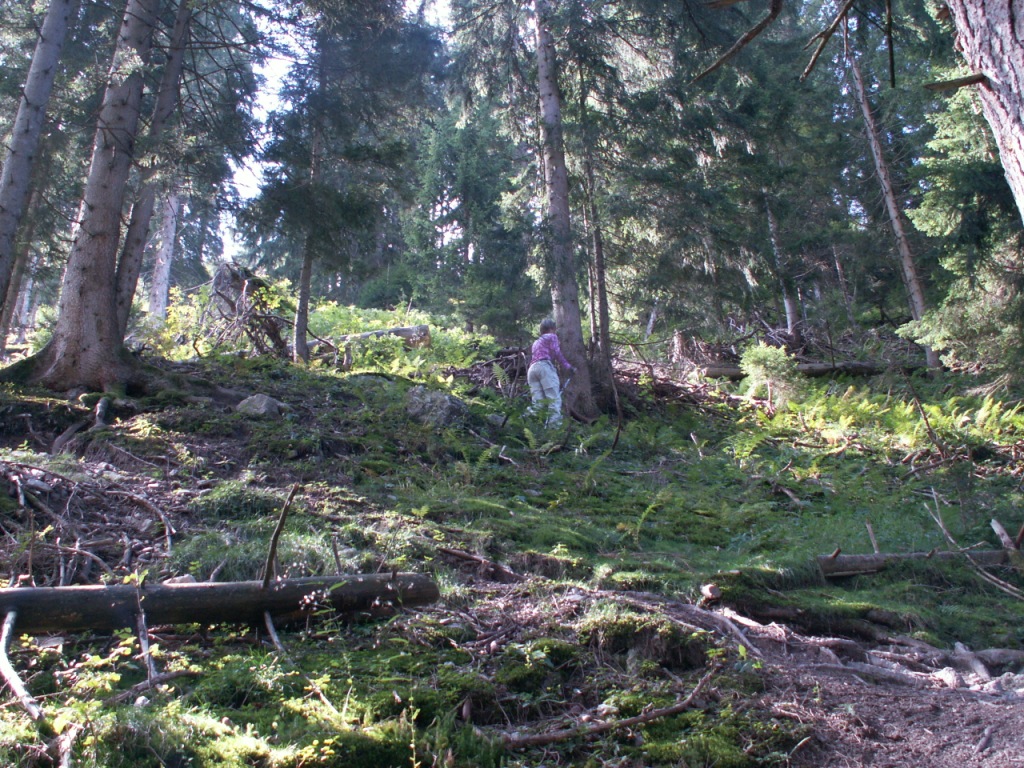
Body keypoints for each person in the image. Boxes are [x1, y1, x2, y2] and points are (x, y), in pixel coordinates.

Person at [527, 318, 574, 427]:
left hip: (532, 370)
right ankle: (554, 430)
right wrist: (568, 367)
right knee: (553, 400)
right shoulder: (552, 336)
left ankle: (530, 426)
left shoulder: (536, 342)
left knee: (538, 403)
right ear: (552, 328)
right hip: (544, 368)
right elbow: (557, 353)